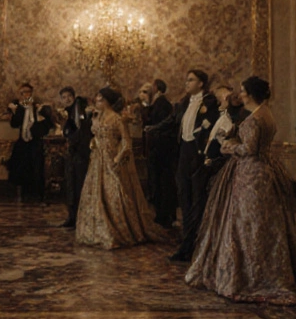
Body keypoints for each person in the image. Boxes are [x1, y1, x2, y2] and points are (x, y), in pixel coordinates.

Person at [186, 76, 296, 305]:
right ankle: (265, 269)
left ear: (250, 94)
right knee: (263, 221)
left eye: (242, 90)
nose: (239, 94)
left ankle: (246, 275)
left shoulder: (254, 119)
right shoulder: (266, 113)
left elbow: (248, 149)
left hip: (250, 174)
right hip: (263, 171)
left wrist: (229, 148)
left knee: (244, 222)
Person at [75, 87, 162, 249]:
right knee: (96, 194)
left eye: (100, 99)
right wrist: (94, 142)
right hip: (97, 161)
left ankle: (118, 230)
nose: (97, 102)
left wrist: (117, 159)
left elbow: (126, 143)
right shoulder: (97, 116)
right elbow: (95, 136)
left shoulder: (117, 119)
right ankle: (97, 231)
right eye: (97, 99)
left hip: (112, 161)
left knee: (114, 194)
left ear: (107, 101)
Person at [171, 85, 240, 262]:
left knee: (200, 204)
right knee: (190, 202)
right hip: (195, 158)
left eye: (222, 98)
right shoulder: (194, 106)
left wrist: (210, 156)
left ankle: (195, 246)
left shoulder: (223, 115)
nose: (219, 100)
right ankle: (190, 244)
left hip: (208, 163)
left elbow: (225, 141)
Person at [148, 70, 219, 238]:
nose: (186, 83)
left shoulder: (209, 102)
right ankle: (187, 239)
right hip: (183, 152)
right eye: (186, 80)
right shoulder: (184, 102)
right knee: (183, 195)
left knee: (197, 197)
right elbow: (172, 120)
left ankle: (198, 238)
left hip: (198, 153)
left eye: (191, 80)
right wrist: (154, 128)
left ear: (201, 83)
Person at [6, 83, 53, 203]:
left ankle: (38, 194)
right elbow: (14, 124)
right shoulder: (19, 107)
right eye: (23, 93)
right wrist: (15, 112)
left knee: (37, 168)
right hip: (23, 142)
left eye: (28, 92)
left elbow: (47, 125)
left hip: (35, 142)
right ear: (20, 94)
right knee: (23, 168)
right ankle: (25, 194)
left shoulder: (38, 107)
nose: (26, 95)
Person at [141, 79, 177, 227]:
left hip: (161, 150)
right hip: (159, 149)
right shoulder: (160, 103)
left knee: (162, 183)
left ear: (156, 88)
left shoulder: (161, 104)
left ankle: (164, 215)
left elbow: (157, 124)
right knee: (160, 183)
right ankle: (163, 214)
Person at [57, 86, 93, 229]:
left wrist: (70, 138)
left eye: (69, 96)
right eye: (64, 97)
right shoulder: (69, 112)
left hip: (81, 154)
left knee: (79, 187)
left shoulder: (79, 109)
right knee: (71, 186)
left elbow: (82, 132)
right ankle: (72, 217)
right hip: (73, 154)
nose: (67, 99)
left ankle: (79, 218)